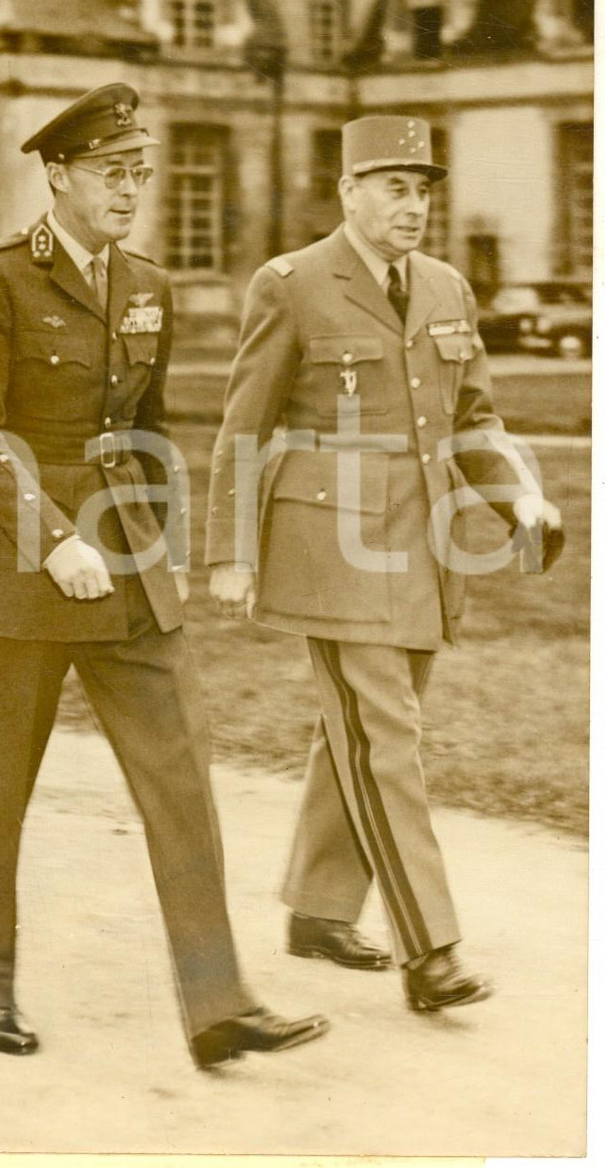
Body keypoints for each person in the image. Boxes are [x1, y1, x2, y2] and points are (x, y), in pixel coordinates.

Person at [0, 83, 329, 1068]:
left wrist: (160, 544)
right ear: (58, 173)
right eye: (114, 173)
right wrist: (52, 536)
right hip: (29, 570)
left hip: (124, 566)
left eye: (140, 174)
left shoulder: (146, 283)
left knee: (180, 776)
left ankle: (217, 1002)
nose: (131, 191)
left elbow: (149, 429)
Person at [207, 114, 564, 1012]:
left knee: (360, 735)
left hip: (424, 548)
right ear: (349, 193)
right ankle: (431, 948)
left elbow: (473, 416)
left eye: (424, 189)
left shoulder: (445, 287)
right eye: (395, 187)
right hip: (329, 549)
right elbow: (241, 428)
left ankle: (319, 909)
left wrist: (518, 495)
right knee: (387, 738)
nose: (414, 207)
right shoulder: (290, 284)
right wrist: (230, 552)